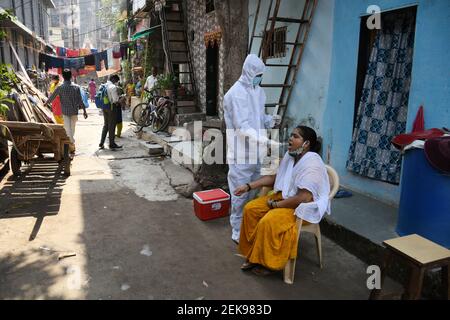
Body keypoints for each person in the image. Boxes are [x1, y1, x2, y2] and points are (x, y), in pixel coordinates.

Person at [235, 126, 330, 276]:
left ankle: (268, 264)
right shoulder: (290, 156)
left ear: (306, 144)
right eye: (291, 135)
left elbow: (303, 198)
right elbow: (275, 178)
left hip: (302, 207)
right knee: (251, 209)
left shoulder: (312, 164)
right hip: (283, 197)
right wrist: (248, 186)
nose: (290, 139)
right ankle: (253, 255)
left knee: (269, 221)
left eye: (296, 136)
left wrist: (276, 205)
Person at [223, 54, 281, 244]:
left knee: (255, 190)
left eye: (261, 74)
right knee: (240, 193)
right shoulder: (235, 94)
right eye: (257, 74)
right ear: (248, 72)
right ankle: (237, 231)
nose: (260, 78)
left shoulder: (258, 91)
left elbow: (259, 117)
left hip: (258, 152)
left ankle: (249, 223)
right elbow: (242, 127)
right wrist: (266, 139)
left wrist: (270, 121)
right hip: (241, 154)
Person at [46, 69, 88, 154]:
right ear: (71, 77)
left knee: (68, 130)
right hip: (73, 112)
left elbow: (52, 97)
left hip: (64, 112)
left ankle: (70, 146)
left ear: (63, 77)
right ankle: (71, 146)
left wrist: (46, 103)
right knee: (71, 130)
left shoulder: (60, 87)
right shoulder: (76, 87)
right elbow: (80, 100)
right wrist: (84, 111)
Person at [99, 74, 122, 150]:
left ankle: (101, 142)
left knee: (106, 125)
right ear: (114, 79)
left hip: (104, 107)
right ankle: (112, 144)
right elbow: (115, 100)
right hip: (111, 108)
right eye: (116, 81)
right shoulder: (113, 87)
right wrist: (122, 99)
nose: (116, 82)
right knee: (112, 126)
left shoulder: (103, 85)